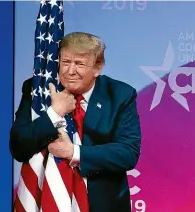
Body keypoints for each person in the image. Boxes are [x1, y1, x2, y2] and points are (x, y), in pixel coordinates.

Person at [10, 32, 142, 212]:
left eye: (79, 64)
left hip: (100, 205)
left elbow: (128, 153)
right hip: (44, 202)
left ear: (98, 67)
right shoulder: (37, 91)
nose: (70, 71)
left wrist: (74, 152)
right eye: (65, 62)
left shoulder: (119, 95)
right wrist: (54, 113)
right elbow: (19, 147)